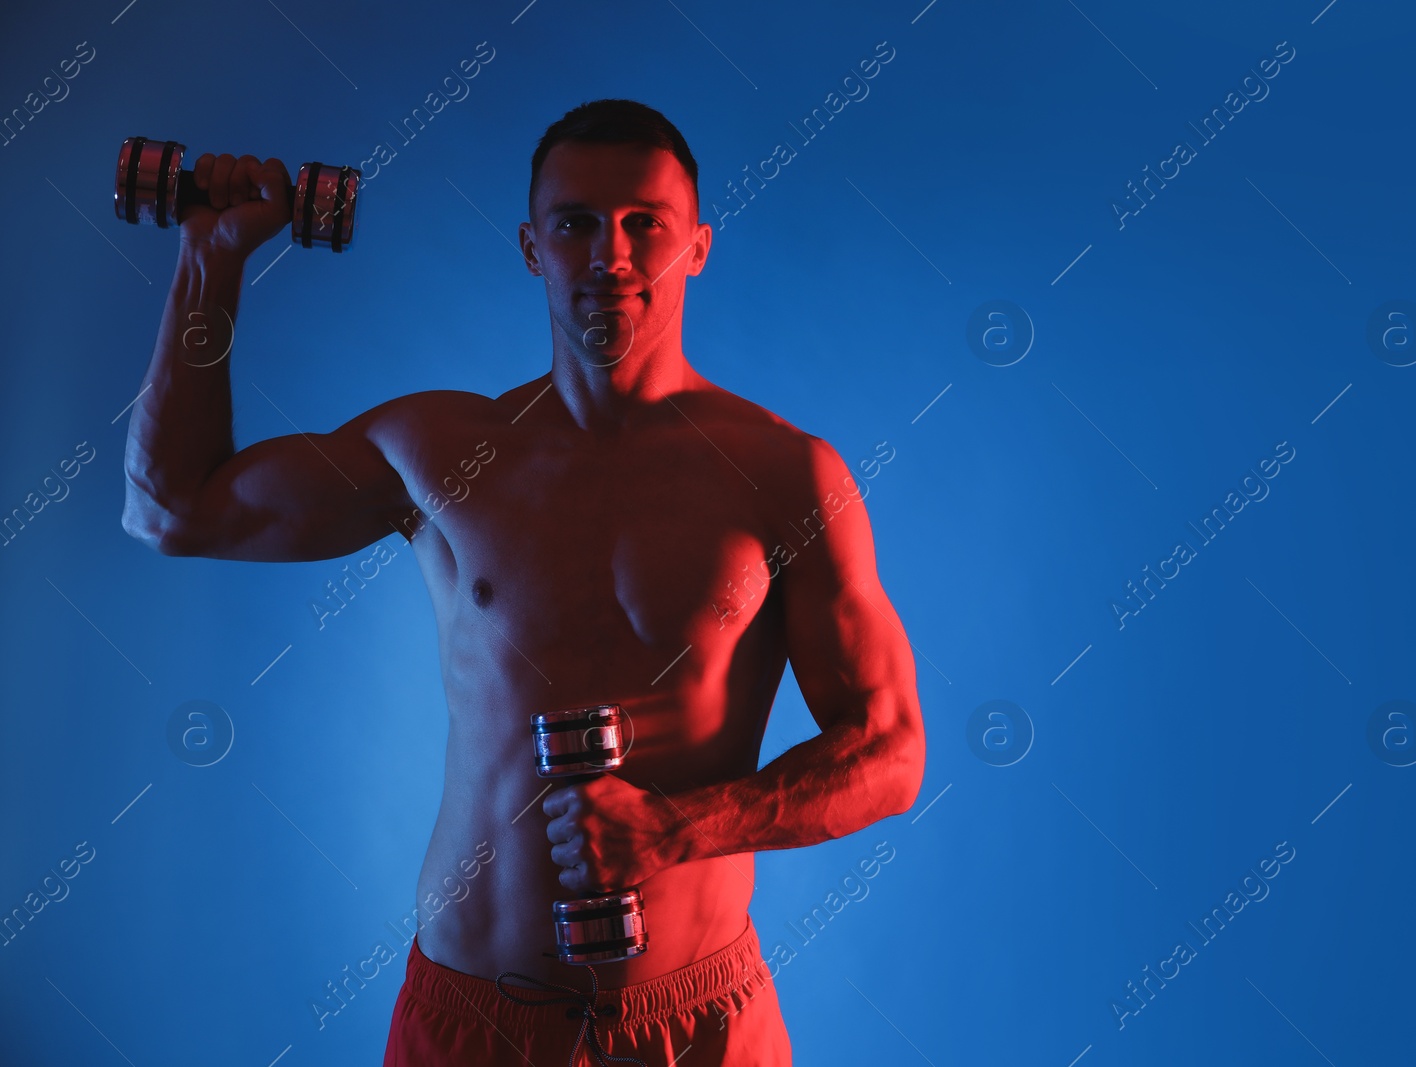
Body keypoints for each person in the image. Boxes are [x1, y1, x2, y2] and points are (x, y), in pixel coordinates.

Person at [121, 98, 925, 1065]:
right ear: (532, 247)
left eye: (644, 225)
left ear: (699, 245)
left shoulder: (789, 477)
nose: (610, 256)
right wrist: (212, 259)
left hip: (697, 1025)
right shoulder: (442, 451)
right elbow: (173, 511)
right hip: (473, 1023)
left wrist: (674, 828)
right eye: (576, 224)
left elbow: (889, 753)